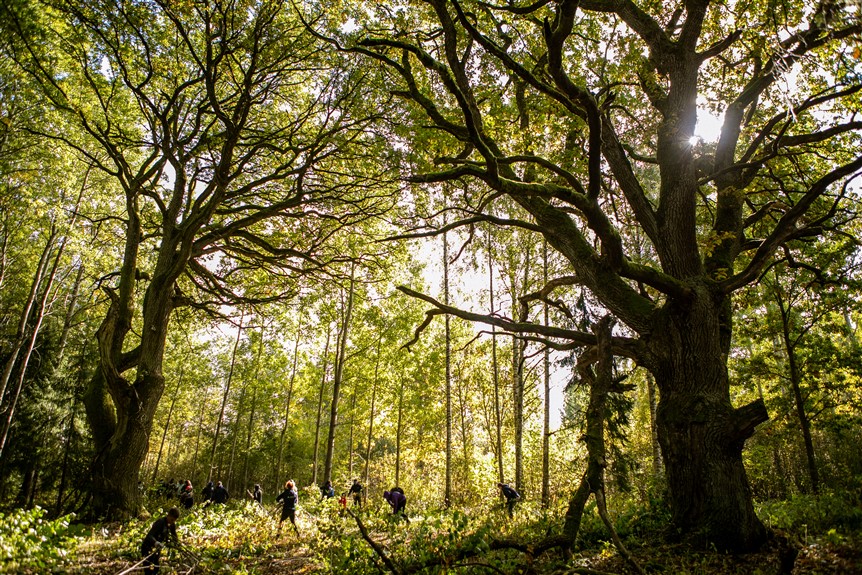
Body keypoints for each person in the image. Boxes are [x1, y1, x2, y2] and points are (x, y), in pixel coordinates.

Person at [140, 506, 179, 573]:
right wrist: (156, 542)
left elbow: (174, 535)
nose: (172, 522)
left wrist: (177, 544)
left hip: (157, 549)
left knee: (156, 568)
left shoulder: (171, 524)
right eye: (172, 519)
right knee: (148, 570)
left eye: (174, 520)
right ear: (168, 515)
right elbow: (149, 536)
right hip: (147, 547)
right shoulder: (160, 522)